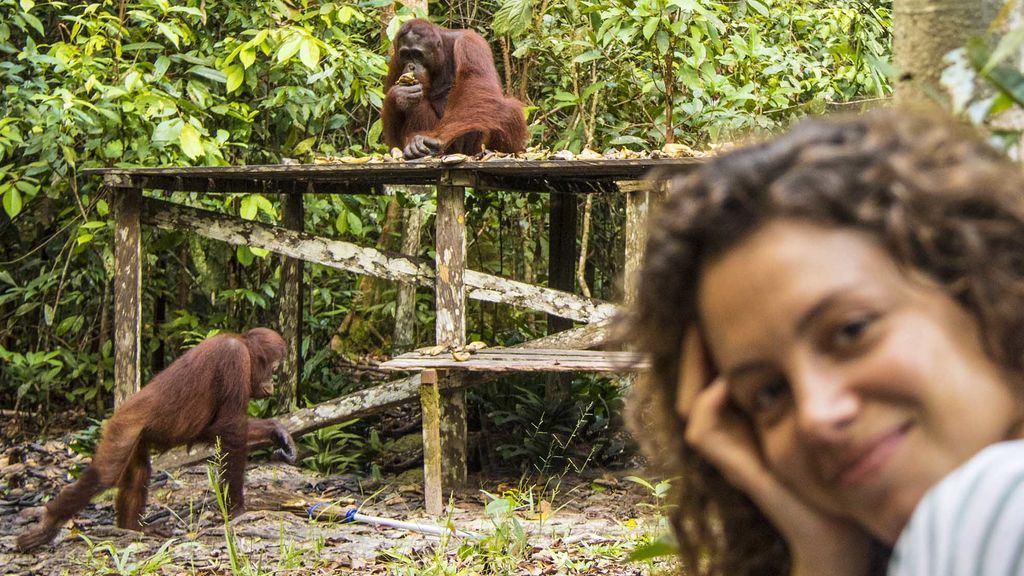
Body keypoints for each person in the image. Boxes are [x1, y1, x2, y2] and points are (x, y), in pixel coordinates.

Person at [621, 108, 1024, 576]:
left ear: (984, 290)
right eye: (769, 393)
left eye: (851, 331)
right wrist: (825, 554)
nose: (816, 415)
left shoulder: (997, 499)